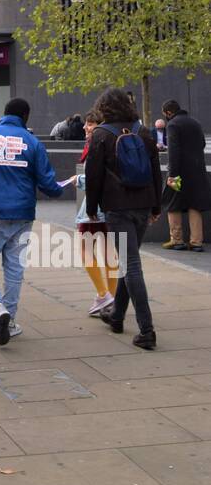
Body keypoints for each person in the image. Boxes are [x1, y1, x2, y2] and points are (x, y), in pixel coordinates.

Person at [0, 97, 65, 344]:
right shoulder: (32, 142)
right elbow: (47, 183)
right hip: (22, 213)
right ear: (26, 117)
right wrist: (60, 189)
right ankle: (8, 321)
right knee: (14, 268)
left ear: (4, 113)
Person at [85, 87, 162, 349]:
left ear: (104, 108)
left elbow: (93, 176)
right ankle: (116, 316)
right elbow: (155, 171)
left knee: (131, 265)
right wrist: (156, 206)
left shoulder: (101, 135)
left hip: (117, 207)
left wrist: (92, 208)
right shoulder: (144, 132)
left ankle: (147, 330)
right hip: (143, 204)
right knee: (130, 262)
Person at [73, 110, 116, 316]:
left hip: (95, 207)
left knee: (85, 248)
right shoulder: (114, 141)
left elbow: (95, 177)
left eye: (89, 124)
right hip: (112, 206)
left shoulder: (96, 144)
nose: (85, 127)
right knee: (110, 253)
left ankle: (103, 294)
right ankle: (112, 299)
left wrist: (78, 180)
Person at [161, 100, 209, 250]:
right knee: (194, 205)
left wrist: (172, 175)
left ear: (169, 112)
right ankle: (196, 242)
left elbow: (173, 152)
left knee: (172, 204)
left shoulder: (173, 124)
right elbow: (202, 143)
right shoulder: (195, 122)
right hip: (197, 171)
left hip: (180, 172)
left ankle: (177, 240)